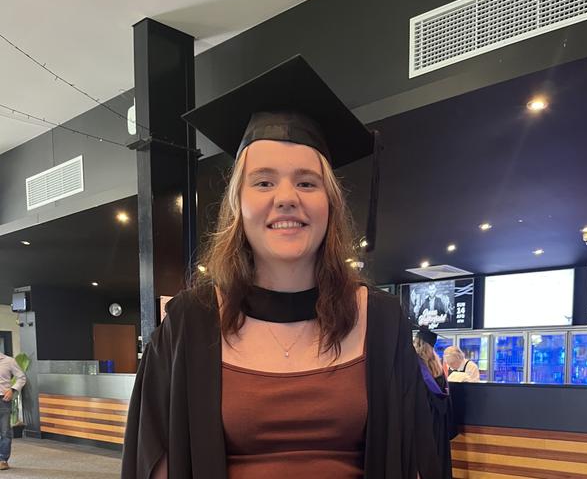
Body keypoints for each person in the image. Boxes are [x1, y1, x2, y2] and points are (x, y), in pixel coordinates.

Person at [122, 56, 442, 478]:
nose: (287, 197)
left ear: (329, 203)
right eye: (264, 181)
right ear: (238, 204)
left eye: (307, 182)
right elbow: (156, 461)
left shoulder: (380, 321)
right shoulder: (189, 323)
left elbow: (414, 458)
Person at [413, 328, 455, 479]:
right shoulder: (438, 367)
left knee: (423, 459)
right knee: (438, 455)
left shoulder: (413, 365)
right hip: (438, 422)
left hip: (422, 421)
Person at [0, 352, 26, 471]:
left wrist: (12, 390)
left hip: (3, 400)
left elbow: (21, 377)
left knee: (5, 431)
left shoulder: (9, 361)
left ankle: (3, 460)